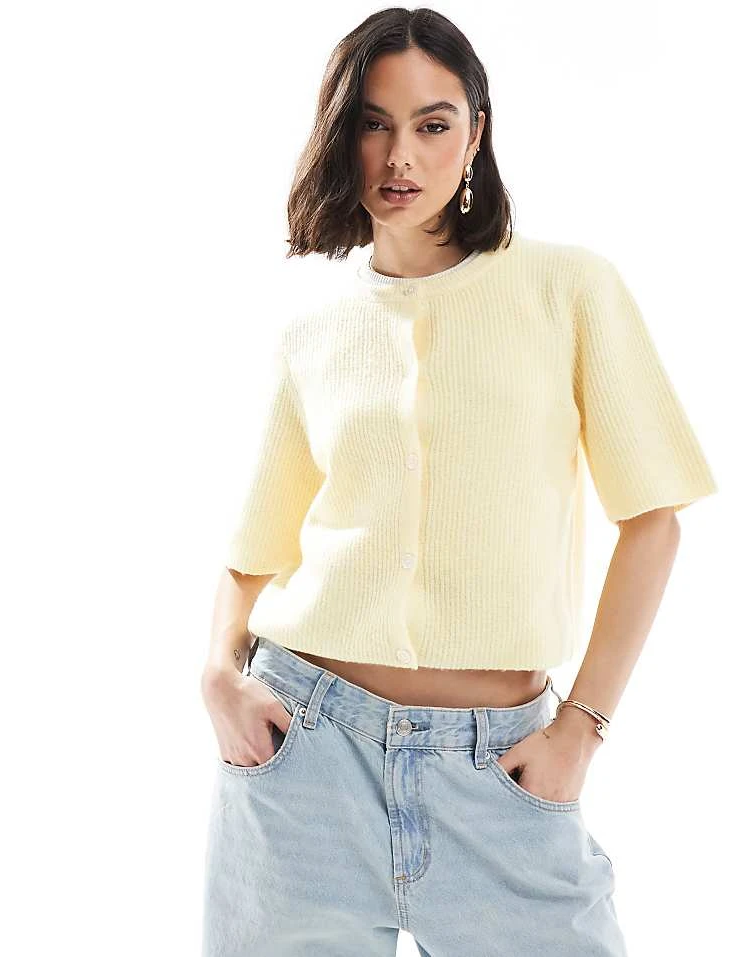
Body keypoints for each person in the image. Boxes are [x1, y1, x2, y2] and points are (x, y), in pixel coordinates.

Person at [200, 8, 717, 957]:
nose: (400, 155)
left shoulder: (568, 290)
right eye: (373, 123)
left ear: (475, 134)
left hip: (503, 769)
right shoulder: (314, 334)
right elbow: (253, 552)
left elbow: (655, 521)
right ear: (342, 136)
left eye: (432, 124)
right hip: (305, 760)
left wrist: (582, 727)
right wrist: (215, 678)